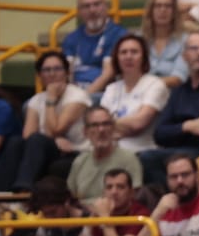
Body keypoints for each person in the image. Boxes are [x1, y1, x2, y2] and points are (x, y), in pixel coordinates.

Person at [144, 31, 199, 185]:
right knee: (143, 158)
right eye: (194, 49)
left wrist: (176, 130)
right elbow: (159, 133)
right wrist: (188, 126)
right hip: (175, 150)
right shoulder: (179, 91)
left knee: (159, 160)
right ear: (184, 56)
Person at [12, 50, 91, 190]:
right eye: (46, 70)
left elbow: (56, 129)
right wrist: (54, 141)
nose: (52, 74)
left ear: (67, 73)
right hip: (49, 149)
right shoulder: (36, 100)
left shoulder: (77, 96)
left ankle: (23, 189)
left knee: (38, 141)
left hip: (74, 151)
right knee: (15, 143)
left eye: (57, 69)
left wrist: (51, 99)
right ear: (40, 75)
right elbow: (28, 136)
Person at [90, 34, 169, 153]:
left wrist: (108, 125)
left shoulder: (155, 84)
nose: (128, 56)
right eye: (123, 52)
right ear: (117, 58)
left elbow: (139, 123)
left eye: (134, 52)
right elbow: (97, 126)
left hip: (140, 151)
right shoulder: (111, 89)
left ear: (144, 57)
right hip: (108, 150)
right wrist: (113, 127)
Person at [65, 106, 142, 202]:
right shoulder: (79, 161)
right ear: (85, 132)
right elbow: (70, 199)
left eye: (106, 124)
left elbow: (134, 198)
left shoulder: (129, 159)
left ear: (113, 128)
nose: (101, 130)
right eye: (94, 125)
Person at [62, 0, 129, 88]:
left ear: (106, 7)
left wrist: (83, 98)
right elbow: (66, 74)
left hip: (103, 94)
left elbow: (108, 75)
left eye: (97, 4)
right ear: (79, 12)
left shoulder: (118, 35)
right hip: (74, 92)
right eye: (86, 6)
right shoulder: (71, 38)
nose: (92, 10)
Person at [140, 0, 188, 88]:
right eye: (158, 6)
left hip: (171, 94)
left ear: (174, 12)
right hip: (139, 95)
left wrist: (146, 86)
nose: (163, 10)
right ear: (151, 10)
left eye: (168, 6)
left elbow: (178, 79)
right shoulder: (139, 40)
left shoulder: (185, 41)